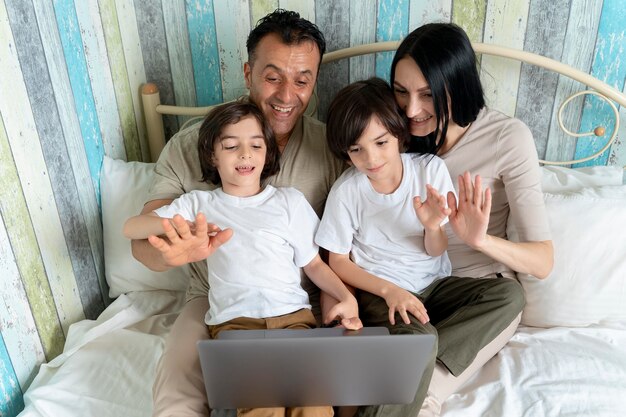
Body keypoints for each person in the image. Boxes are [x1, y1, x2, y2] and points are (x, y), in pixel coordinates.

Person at [130, 10, 350, 417]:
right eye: (272, 77)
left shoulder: (334, 148)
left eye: (302, 80)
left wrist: (342, 296)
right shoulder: (191, 143)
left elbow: (347, 243)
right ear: (248, 73)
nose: (287, 95)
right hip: (218, 303)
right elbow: (143, 240)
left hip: (302, 302)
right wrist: (170, 253)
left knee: (353, 394)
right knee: (175, 397)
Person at [388, 23, 554, 416]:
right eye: (400, 92)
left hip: (475, 297)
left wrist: (481, 240)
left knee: (416, 387)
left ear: (457, 85)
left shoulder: (506, 138)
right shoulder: (391, 135)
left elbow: (543, 261)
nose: (411, 110)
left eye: (427, 95)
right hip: (405, 291)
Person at [316, 77, 457, 412]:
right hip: (381, 293)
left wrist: (432, 226)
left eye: (381, 142)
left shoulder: (430, 171)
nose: (371, 158)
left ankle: (422, 351)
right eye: (356, 150)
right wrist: (389, 291)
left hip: (433, 288)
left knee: (506, 296)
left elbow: (436, 250)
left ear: (399, 134)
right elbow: (337, 260)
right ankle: (416, 351)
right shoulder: (347, 191)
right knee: (420, 341)